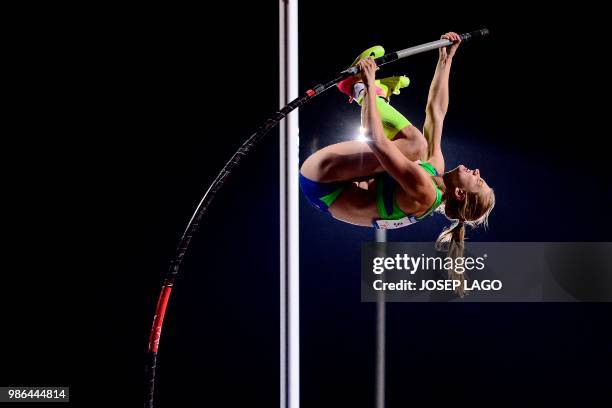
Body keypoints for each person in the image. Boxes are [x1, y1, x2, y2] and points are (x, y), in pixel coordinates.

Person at [299, 33, 495, 294]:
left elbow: (375, 141)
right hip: (340, 177)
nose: (478, 172)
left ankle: (362, 90)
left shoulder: (425, 193)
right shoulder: (434, 169)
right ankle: (366, 92)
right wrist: (445, 60)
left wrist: (368, 86)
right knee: (417, 144)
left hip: (322, 183)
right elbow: (436, 112)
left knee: (414, 144)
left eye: (478, 180)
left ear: (460, 193)